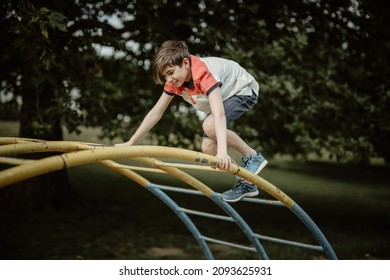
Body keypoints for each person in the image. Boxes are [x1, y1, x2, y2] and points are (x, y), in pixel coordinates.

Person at [115, 40, 267, 202]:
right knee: (208, 147)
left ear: (186, 63)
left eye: (171, 72)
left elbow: (219, 114)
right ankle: (246, 182)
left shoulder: (203, 74)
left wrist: (223, 151)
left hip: (242, 89)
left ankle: (253, 156)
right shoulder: (174, 82)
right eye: (165, 75)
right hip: (223, 97)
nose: (168, 79)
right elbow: (155, 114)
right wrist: (131, 142)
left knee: (209, 126)